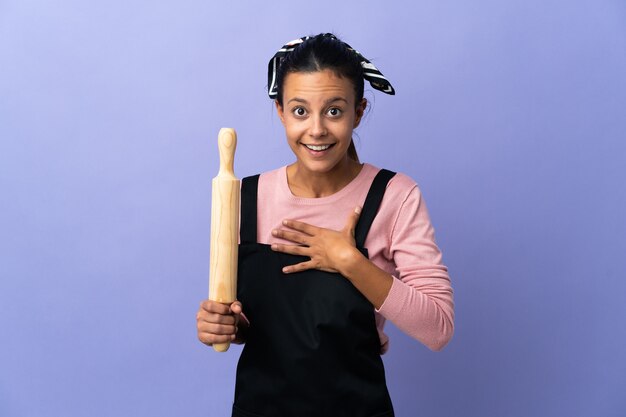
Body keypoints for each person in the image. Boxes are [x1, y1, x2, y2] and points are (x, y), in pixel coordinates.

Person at [196, 33, 454, 417]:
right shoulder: (243, 198)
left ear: (358, 111)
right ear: (281, 111)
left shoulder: (393, 196)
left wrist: (349, 262)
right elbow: (261, 325)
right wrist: (226, 326)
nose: (316, 130)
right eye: (300, 111)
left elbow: (437, 328)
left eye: (334, 111)